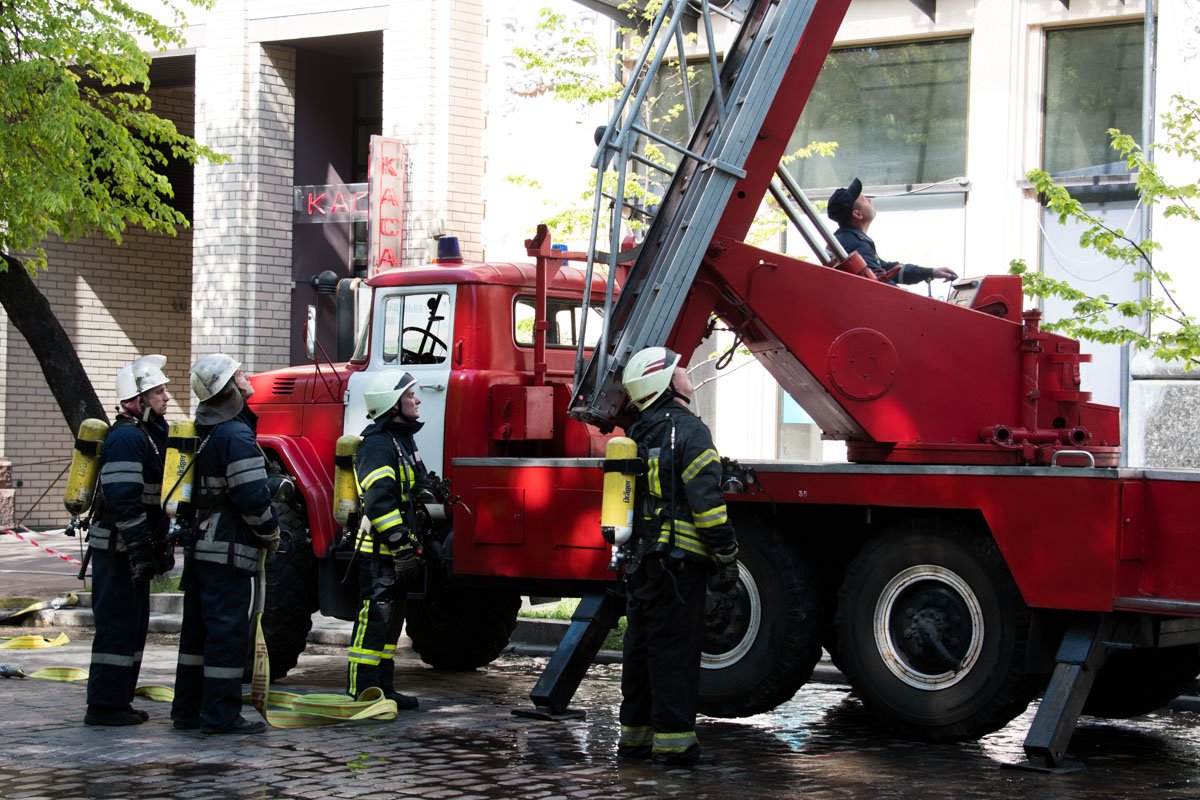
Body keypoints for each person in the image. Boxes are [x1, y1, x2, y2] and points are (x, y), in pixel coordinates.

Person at [616, 347, 739, 767]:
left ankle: (634, 741)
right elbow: (707, 506)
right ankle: (675, 747)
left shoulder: (638, 433)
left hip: (640, 563)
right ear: (666, 384)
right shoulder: (689, 431)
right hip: (679, 565)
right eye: (678, 369)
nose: (686, 372)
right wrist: (726, 555)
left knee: (641, 651)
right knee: (674, 655)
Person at [170, 353, 279, 735]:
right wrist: (270, 531)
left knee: (196, 634)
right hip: (228, 551)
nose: (246, 377)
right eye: (239, 374)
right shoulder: (235, 435)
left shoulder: (204, 430)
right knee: (226, 633)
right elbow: (251, 497)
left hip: (200, 548)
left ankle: (187, 712)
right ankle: (220, 716)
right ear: (229, 387)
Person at [84, 355, 173, 726]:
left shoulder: (147, 436)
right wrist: (139, 548)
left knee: (132, 628)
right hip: (117, 552)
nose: (166, 397)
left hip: (131, 552)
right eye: (158, 392)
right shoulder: (125, 438)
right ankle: (104, 706)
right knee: (117, 629)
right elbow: (123, 499)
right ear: (137, 401)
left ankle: (117, 701)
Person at [346, 371, 428, 710]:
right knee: (374, 620)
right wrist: (398, 543)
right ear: (394, 405)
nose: (417, 399)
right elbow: (379, 502)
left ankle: (384, 687)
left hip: (397, 551)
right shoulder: (378, 444)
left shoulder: (402, 440)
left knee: (392, 622)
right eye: (411, 395)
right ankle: (361, 691)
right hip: (379, 554)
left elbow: (415, 484)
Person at [826, 177, 958, 285]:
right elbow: (880, 286)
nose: (870, 200)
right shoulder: (854, 245)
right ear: (857, 214)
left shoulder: (847, 239)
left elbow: (886, 270)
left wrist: (929, 272)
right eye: (866, 199)